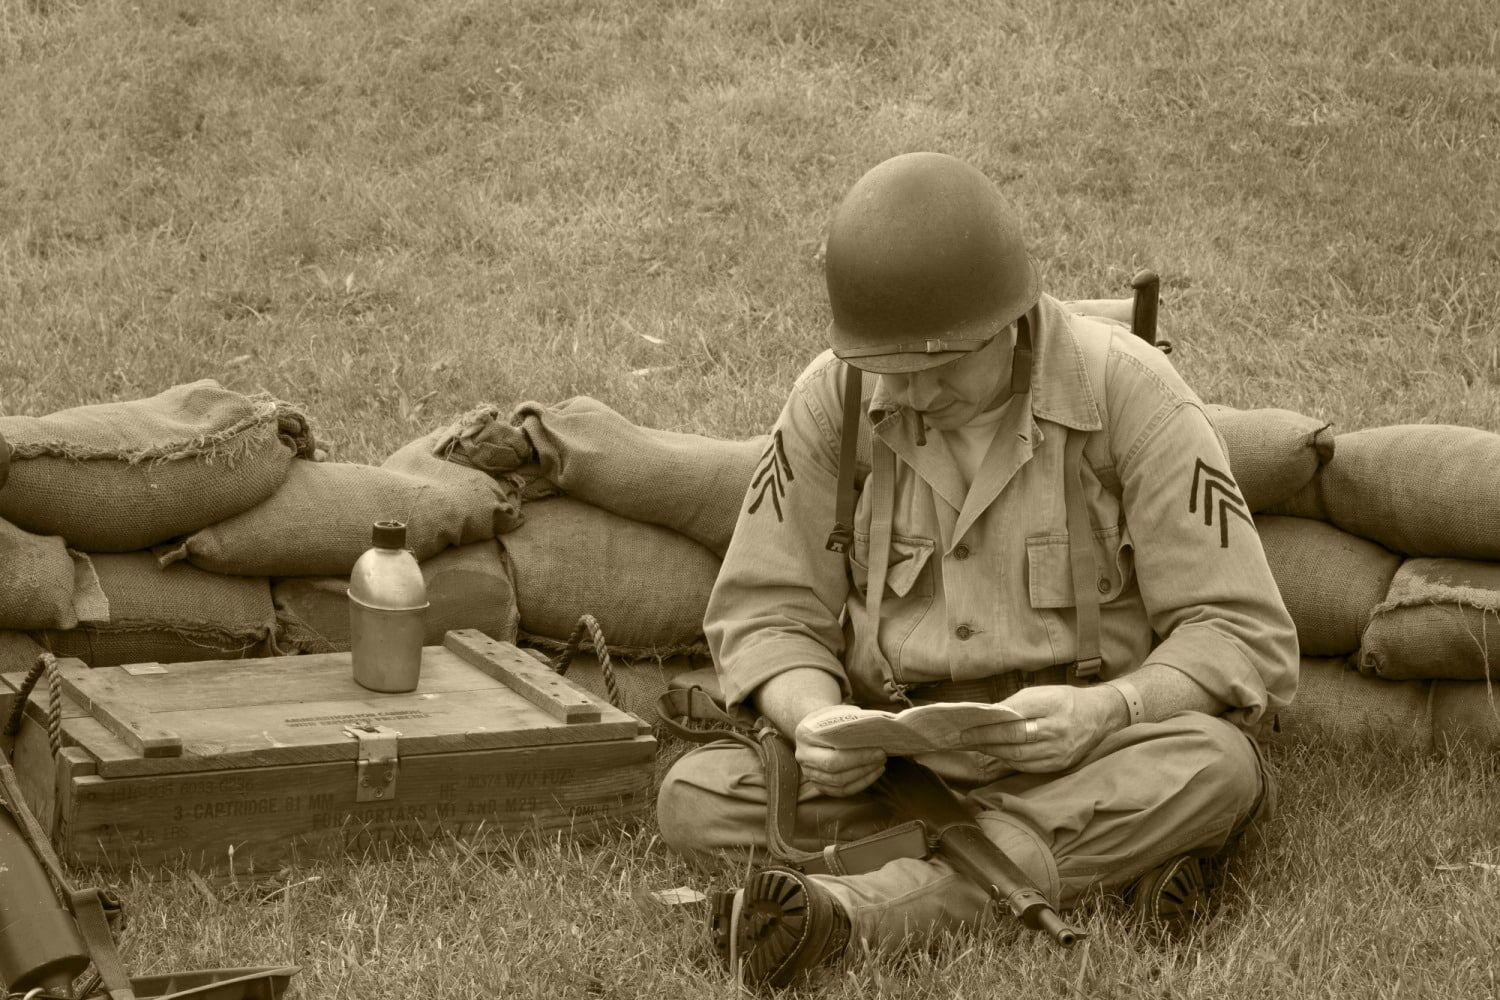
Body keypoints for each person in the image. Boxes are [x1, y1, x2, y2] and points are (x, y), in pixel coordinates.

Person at [656, 151, 1298, 987]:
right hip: (897, 772)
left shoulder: (1135, 395)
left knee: (1214, 767)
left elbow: (1242, 632)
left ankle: (866, 910)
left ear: (1012, 322)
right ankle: (1066, 862)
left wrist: (1108, 710)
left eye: (943, 368)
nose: (914, 397)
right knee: (696, 795)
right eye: (896, 372)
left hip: (1084, 757)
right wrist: (817, 723)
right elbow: (765, 611)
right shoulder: (834, 398)